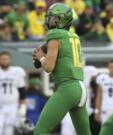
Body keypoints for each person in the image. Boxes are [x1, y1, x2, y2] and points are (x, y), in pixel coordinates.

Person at [33, 3, 91, 135]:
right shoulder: (73, 36)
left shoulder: (54, 34)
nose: (50, 21)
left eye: (55, 18)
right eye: (50, 17)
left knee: (40, 131)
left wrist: (42, 57)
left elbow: (48, 67)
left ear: (63, 20)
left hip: (68, 88)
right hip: (80, 88)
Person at [0, 51, 27, 135]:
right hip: (0, 105)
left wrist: (22, 106)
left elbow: (21, 89)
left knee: (9, 130)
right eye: (2, 59)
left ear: (10, 60)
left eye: (6, 59)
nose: (4, 61)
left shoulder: (17, 71)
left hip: (13, 105)